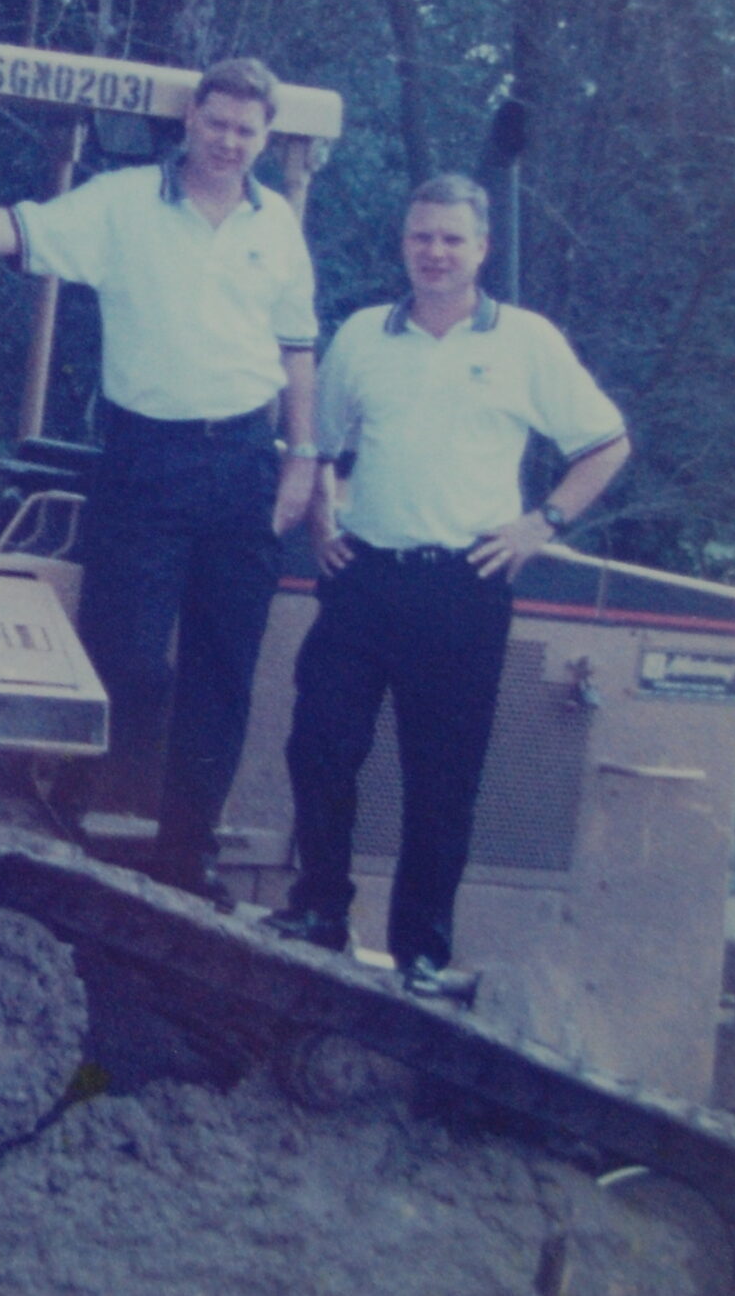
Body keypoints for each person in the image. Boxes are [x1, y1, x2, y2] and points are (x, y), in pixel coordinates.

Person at [0, 59, 319, 908]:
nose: (229, 141)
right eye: (217, 123)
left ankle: (185, 856)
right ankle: (75, 825)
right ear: (192, 121)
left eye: (247, 130)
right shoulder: (126, 202)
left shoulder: (276, 223)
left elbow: (297, 346)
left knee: (223, 668)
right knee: (123, 653)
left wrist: (302, 458)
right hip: (145, 461)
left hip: (245, 464)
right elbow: (21, 229)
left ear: (265, 138)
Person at [263, 173, 628, 996]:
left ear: (481, 249)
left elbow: (606, 445)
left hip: (465, 588)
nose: (434, 252)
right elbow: (317, 443)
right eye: (421, 236)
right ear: (405, 243)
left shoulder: (527, 342)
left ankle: (421, 956)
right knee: (318, 746)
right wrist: (324, 519)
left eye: (451, 239)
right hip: (365, 580)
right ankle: (320, 910)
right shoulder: (361, 334)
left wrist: (544, 523)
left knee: (442, 779)